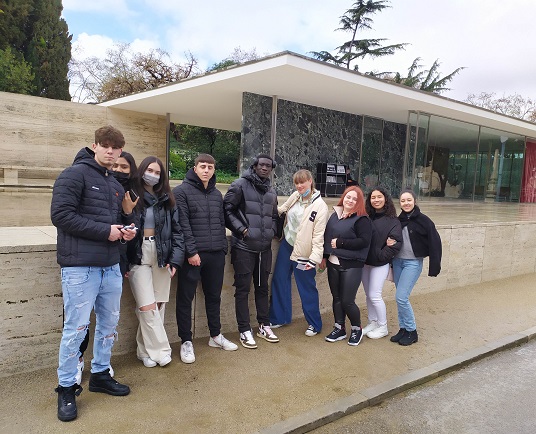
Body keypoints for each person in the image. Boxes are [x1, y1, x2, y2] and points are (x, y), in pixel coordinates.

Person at [51, 125, 136, 422]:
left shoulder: (113, 182)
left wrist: (125, 230)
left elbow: (113, 222)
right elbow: (61, 216)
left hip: (110, 266)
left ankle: (100, 374)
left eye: (116, 148)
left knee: (109, 325)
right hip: (80, 267)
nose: (111, 152)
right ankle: (66, 388)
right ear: (95, 145)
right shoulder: (73, 175)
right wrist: (106, 231)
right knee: (75, 328)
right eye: (106, 146)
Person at [74, 151, 138, 386]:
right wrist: (106, 231)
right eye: (116, 166)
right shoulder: (80, 178)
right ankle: (77, 361)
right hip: (83, 261)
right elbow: (64, 216)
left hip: (114, 261)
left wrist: (128, 215)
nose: (119, 170)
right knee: (79, 321)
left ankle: (101, 366)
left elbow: (132, 229)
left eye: (124, 167)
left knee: (108, 319)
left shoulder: (129, 193)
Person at [173, 154, 238, 364]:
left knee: (214, 297)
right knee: (185, 299)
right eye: (202, 166)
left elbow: (220, 222)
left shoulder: (217, 194)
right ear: (195, 168)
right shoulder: (181, 192)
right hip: (193, 256)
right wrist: (191, 252)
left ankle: (215, 336)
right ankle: (186, 341)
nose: (206, 170)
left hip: (215, 254)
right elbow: (182, 225)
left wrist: (223, 248)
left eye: (210, 167)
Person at [127, 156, 185, 367]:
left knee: (159, 305)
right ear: (142, 170)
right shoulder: (132, 195)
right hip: (139, 254)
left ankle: (144, 352)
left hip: (162, 254)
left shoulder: (167, 199)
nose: (153, 175)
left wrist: (175, 260)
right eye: (150, 170)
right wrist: (123, 261)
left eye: (158, 172)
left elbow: (178, 231)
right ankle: (161, 350)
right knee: (147, 306)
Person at [223, 154, 278, 349]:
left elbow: (274, 216)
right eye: (261, 165)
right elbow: (227, 210)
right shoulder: (239, 185)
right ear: (254, 166)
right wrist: (242, 230)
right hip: (244, 248)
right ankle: (244, 329)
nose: (264, 168)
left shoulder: (271, 190)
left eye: (268, 166)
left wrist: (272, 232)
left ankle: (264, 325)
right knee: (243, 290)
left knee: (262, 288)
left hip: (264, 249)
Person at [269, 169, 328, 336]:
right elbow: (281, 210)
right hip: (288, 244)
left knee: (306, 286)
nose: (299, 186)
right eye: (296, 183)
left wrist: (314, 259)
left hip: (304, 252)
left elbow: (318, 236)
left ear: (310, 181)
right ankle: (279, 317)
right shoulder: (296, 196)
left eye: (302, 182)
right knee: (280, 279)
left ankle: (314, 324)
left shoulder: (320, 206)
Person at [320, 186, 372, 346]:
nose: (350, 200)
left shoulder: (362, 219)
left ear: (359, 202)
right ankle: (339, 328)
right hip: (333, 263)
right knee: (336, 298)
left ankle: (357, 329)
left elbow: (364, 241)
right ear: (343, 197)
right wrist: (324, 257)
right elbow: (327, 236)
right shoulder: (335, 215)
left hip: (352, 265)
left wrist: (341, 243)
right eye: (348, 197)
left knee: (347, 300)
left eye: (354, 199)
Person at [391, 189, 442, 346]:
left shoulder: (424, 221)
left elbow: (435, 242)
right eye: (403, 201)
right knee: (399, 298)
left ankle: (412, 331)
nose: (406, 203)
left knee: (401, 297)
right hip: (397, 262)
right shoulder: (397, 221)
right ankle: (403, 329)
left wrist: (434, 266)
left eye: (409, 200)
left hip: (412, 263)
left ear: (414, 201)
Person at [361, 187, 402, 340]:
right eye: (373, 197)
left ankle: (383, 326)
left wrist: (380, 256)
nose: (376, 200)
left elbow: (395, 243)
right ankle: (372, 322)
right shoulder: (367, 217)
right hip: (365, 263)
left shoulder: (393, 220)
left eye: (379, 197)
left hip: (380, 264)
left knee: (375, 295)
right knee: (368, 295)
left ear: (385, 199)